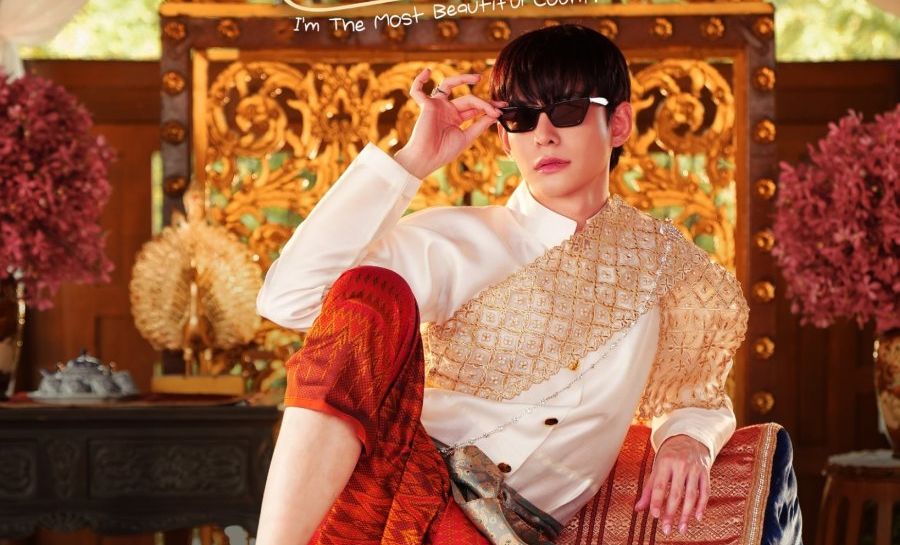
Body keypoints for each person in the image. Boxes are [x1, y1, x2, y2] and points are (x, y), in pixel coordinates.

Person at [254, 23, 749, 545]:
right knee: (371, 292)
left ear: (619, 122)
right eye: (520, 117)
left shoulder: (669, 266)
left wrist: (688, 440)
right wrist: (413, 161)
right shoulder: (453, 239)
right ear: (503, 135)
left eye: (567, 111)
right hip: (394, 489)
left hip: (504, 530)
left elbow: (696, 395)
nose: (543, 135)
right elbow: (291, 301)